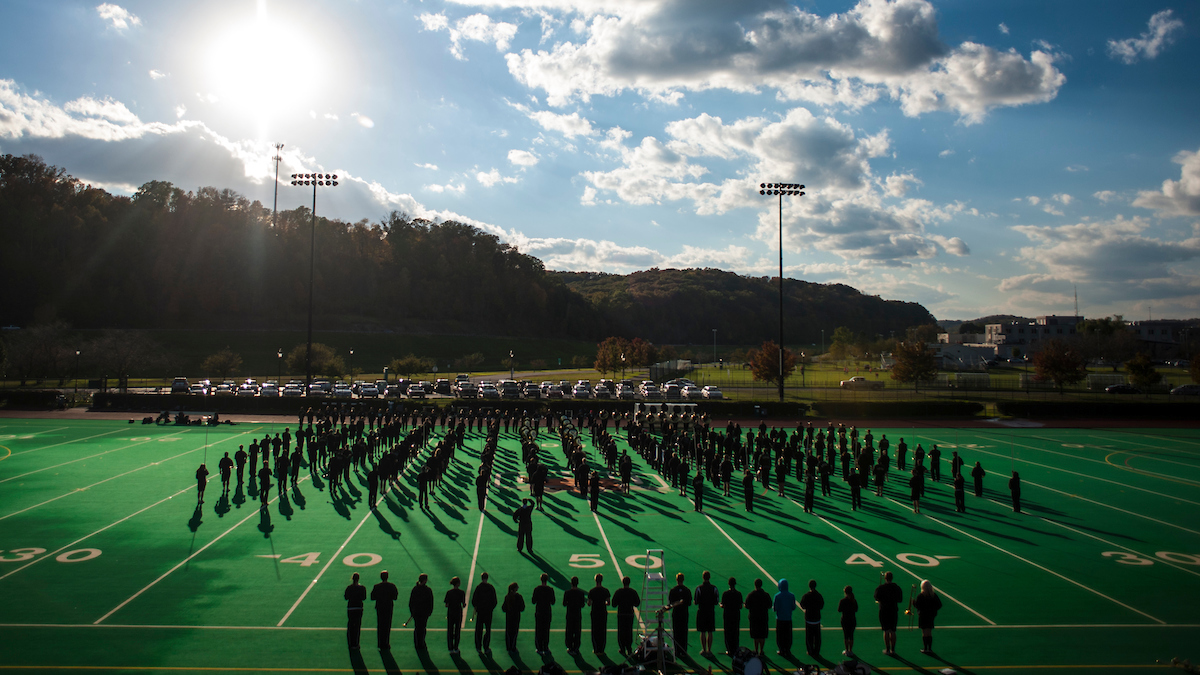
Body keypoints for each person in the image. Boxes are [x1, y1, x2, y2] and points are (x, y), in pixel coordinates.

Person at [874, 571, 903, 656]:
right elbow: (900, 599)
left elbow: (876, 597)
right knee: (893, 630)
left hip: (884, 610)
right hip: (893, 610)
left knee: (886, 631)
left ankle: (887, 649)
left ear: (885, 578)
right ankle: (893, 649)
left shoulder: (881, 588)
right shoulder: (896, 587)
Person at [612, 575, 641, 656]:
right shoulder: (633, 592)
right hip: (629, 614)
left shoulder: (619, 592)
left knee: (621, 632)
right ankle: (629, 648)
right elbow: (637, 603)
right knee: (629, 631)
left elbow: (614, 604)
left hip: (621, 614)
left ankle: (622, 648)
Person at [371, 570, 399, 651]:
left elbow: (372, 597)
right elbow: (395, 597)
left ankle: (380, 643)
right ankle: (386, 643)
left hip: (380, 607)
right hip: (388, 607)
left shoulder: (377, 586)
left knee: (380, 625)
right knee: (387, 625)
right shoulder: (392, 586)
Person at [912, 580, 942, 654]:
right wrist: (934, 610)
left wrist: (913, 603)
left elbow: (917, 605)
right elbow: (939, 605)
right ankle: (930, 648)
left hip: (923, 615)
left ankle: (925, 648)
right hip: (931, 615)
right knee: (929, 632)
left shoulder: (921, 596)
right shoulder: (933, 595)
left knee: (924, 632)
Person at [694, 570, 719, 656]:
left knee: (703, 631)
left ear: (703, 577)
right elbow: (716, 601)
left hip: (702, 611)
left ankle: (704, 649)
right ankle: (709, 650)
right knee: (710, 631)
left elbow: (696, 601)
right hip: (710, 611)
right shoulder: (714, 588)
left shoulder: (699, 588)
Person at [471, 572, 497, 653]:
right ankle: (486, 647)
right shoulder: (491, 588)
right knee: (488, 630)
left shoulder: (478, 588)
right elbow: (494, 601)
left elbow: (474, 600)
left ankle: (478, 647)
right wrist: (490, 608)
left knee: (479, 630)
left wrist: (478, 607)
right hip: (488, 612)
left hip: (480, 612)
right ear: (487, 578)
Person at [745, 578, 771, 656]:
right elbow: (769, 605)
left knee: (756, 635)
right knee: (762, 634)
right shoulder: (766, 595)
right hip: (763, 617)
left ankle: (756, 650)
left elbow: (747, 605)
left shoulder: (751, 595)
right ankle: (761, 650)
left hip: (754, 617)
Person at [531, 572, 556, 655]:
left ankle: (539, 647)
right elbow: (553, 602)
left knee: (539, 630)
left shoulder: (537, 589)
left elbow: (533, 601)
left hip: (539, 611)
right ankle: (545, 647)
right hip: (547, 612)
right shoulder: (550, 590)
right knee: (546, 630)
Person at [408, 573, 434, 651]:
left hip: (416, 612)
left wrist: (412, 611)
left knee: (417, 628)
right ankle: (421, 642)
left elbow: (411, 602)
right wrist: (429, 612)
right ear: (425, 580)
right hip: (424, 613)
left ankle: (417, 643)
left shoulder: (415, 589)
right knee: (422, 628)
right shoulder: (428, 590)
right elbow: (430, 602)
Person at [668, 572, 692, 656]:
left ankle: (677, 650)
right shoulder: (687, 590)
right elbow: (689, 603)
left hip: (676, 614)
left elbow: (670, 603)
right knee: (684, 632)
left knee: (676, 632)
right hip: (684, 613)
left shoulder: (673, 590)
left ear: (676, 580)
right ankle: (684, 650)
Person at [799, 579, 824, 657]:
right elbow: (821, 605)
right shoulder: (819, 595)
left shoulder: (806, 596)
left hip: (809, 619)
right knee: (817, 637)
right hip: (816, 619)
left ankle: (810, 651)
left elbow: (802, 605)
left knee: (809, 637)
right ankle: (816, 651)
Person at [563, 576, 587, 656]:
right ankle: (576, 647)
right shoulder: (581, 593)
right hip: (577, 614)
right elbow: (582, 605)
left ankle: (569, 646)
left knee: (569, 631)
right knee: (577, 631)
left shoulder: (567, 592)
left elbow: (564, 603)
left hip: (570, 613)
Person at [587, 573, 611, 654]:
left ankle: (596, 648)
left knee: (595, 630)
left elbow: (589, 603)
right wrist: (603, 603)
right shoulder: (605, 591)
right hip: (602, 612)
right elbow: (608, 602)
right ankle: (602, 649)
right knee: (602, 630)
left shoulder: (592, 591)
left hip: (594, 612)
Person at [773, 578, 795, 657]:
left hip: (780, 619)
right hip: (788, 619)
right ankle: (788, 650)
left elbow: (775, 608)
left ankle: (781, 650)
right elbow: (793, 607)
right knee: (788, 635)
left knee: (780, 636)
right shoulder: (791, 595)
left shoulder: (777, 596)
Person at [720, 577, 743, 655]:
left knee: (728, 632)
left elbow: (722, 605)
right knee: (735, 632)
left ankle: (729, 649)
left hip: (728, 615)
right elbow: (740, 606)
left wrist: (721, 605)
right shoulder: (738, 594)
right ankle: (735, 648)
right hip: (736, 615)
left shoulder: (725, 594)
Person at [345, 572, 367, 650]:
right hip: (358, 608)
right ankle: (356, 643)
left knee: (351, 626)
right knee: (357, 626)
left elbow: (346, 597)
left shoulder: (349, 587)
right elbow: (364, 598)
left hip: (351, 608)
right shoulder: (362, 588)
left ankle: (350, 643)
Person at [445, 576, 466, 654]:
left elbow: (446, 604)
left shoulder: (449, 592)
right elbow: (463, 604)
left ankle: (450, 647)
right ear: (458, 584)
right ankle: (456, 647)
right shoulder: (461, 593)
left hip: (451, 613)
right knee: (457, 630)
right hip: (458, 613)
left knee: (450, 630)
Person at [502, 582, 525, 653]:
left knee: (508, 632)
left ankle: (508, 647)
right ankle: (513, 647)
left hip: (509, 617)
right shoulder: (519, 597)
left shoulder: (507, 597)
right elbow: (522, 608)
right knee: (514, 633)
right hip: (516, 617)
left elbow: (503, 608)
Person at [837, 586, 857, 657]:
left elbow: (839, 610)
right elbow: (856, 609)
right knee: (851, 635)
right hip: (852, 619)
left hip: (845, 619)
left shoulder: (843, 601)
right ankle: (850, 650)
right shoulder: (853, 600)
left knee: (846, 635)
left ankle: (846, 649)